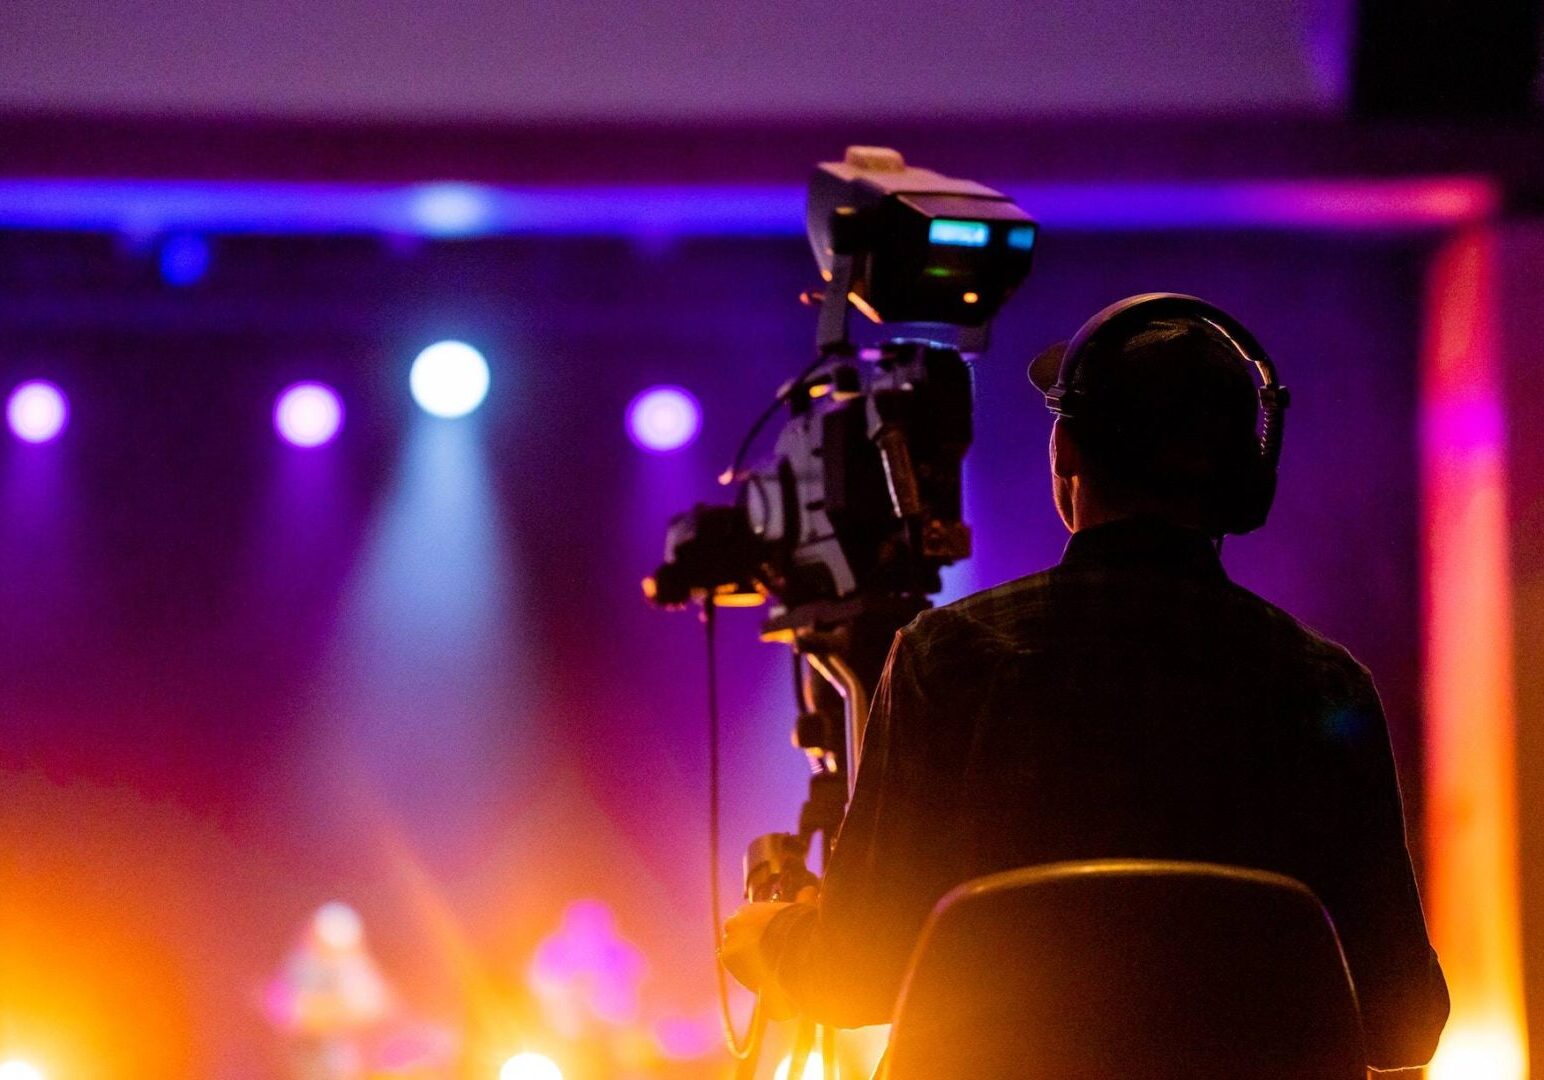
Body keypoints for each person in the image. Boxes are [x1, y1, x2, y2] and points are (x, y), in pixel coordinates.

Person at [720, 296, 1450, 1072]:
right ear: (1246, 476)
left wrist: (774, 939)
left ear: (1065, 450)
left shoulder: (949, 659)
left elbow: (852, 977)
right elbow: (1402, 1022)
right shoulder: (1328, 688)